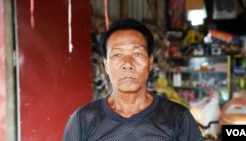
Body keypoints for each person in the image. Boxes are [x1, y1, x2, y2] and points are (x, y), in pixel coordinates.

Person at [63, 18, 204, 141]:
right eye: (117, 55)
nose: (128, 64)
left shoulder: (177, 118)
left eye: (137, 53)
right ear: (106, 65)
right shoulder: (83, 120)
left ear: (150, 62)